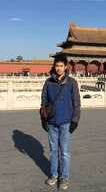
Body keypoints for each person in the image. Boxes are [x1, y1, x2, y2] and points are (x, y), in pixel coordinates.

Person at [40, 54, 81, 190]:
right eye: (56, 66)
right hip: (52, 122)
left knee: (64, 152)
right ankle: (53, 175)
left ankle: (64, 177)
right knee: (53, 151)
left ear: (65, 67)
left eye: (61, 66)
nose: (58, 68)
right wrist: (44, 119)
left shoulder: (72, 83)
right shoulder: (48, 82)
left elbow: (76, 103)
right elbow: (44, 102)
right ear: (54, 66)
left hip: (65, 122)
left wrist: (75, 120)